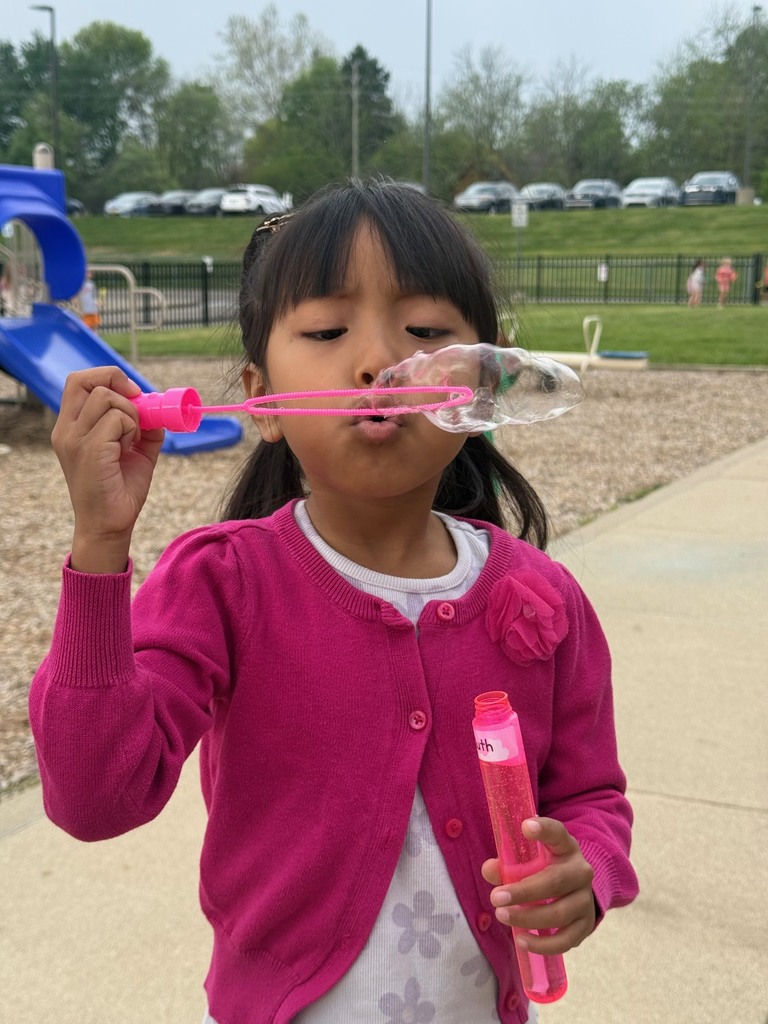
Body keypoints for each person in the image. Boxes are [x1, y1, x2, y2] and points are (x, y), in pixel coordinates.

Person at [29, 180, 638, 1024]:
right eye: (325, 330)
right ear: (261, 395)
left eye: (426, 333)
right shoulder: (224, 584)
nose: (378, 362)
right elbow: (94, 798)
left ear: (484, 381)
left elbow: (592, 798)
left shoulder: (544, 596)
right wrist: (99, 548)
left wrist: (590, 873)